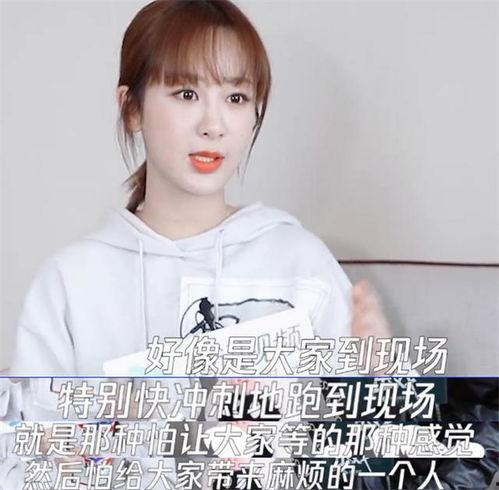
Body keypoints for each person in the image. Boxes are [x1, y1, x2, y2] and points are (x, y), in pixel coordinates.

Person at [9, 0, 389, 376]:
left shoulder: (299, 261)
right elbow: (31, 416)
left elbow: (369, 412)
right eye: (187, 94)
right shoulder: (72, 280)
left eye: (236, 98)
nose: (213, 126)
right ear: (132, 109)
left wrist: (380, 376)